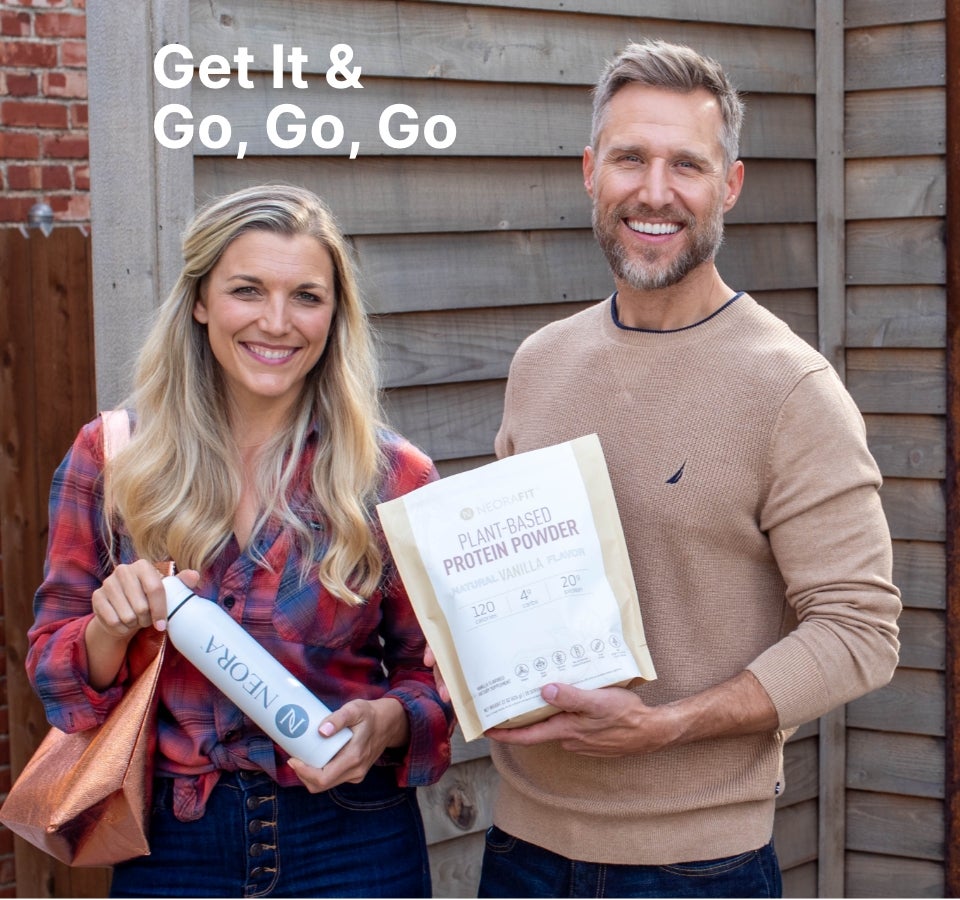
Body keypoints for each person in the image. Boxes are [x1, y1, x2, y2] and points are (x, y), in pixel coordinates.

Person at [477, 38, 901, 897]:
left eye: (688, 165)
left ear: (730, 185)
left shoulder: (790, 389)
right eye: (630, 158)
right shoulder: (540, 362)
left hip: (696, 866)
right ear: (591, 172)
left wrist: (667, 726)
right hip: (519, 847)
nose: (655, 191)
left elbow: (861, 632)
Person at [27, 184, 454, 898]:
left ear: (335, 315)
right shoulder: (114, 457)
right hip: (174, 846)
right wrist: (108, 628)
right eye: (247, 291)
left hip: (354, 843)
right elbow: (53, 673)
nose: (277, 322)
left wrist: (383, 724)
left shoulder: (392, 476)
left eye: (307, 297)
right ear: (200, 301)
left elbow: (435, 679)